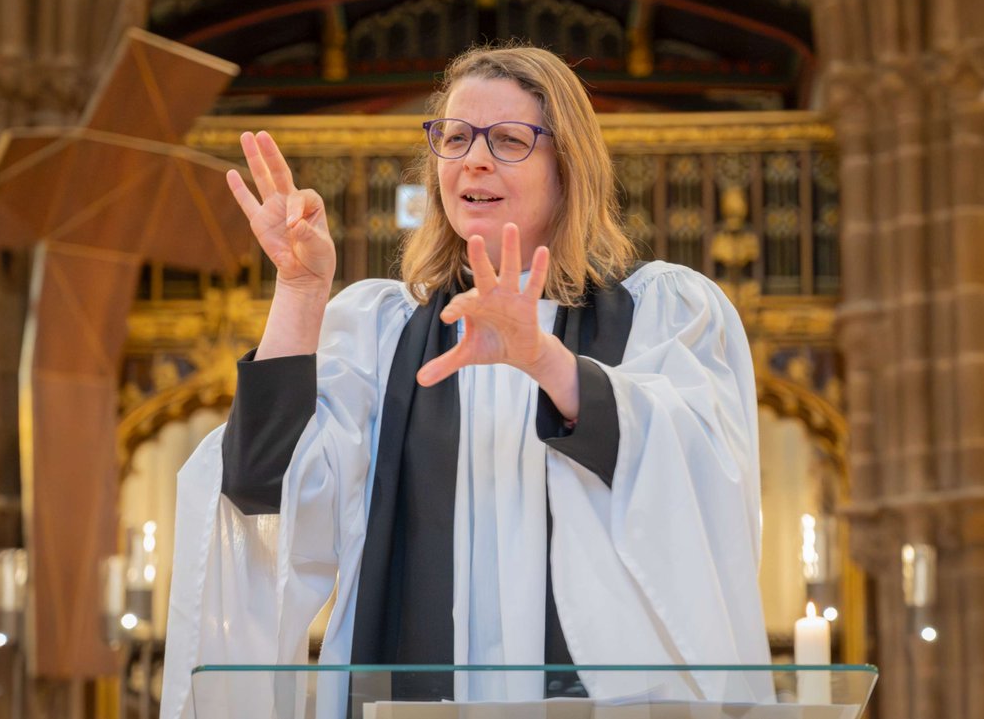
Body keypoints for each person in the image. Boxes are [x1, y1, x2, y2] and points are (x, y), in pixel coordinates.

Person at [161, 44, 770, 719]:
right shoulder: (381, 335)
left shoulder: (660, 316)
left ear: (569, 168)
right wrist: (301, 292)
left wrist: (544, 361)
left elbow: (702, 476)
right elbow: (261, 489)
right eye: (454, 138)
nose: (474, 158)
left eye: (509, 139)